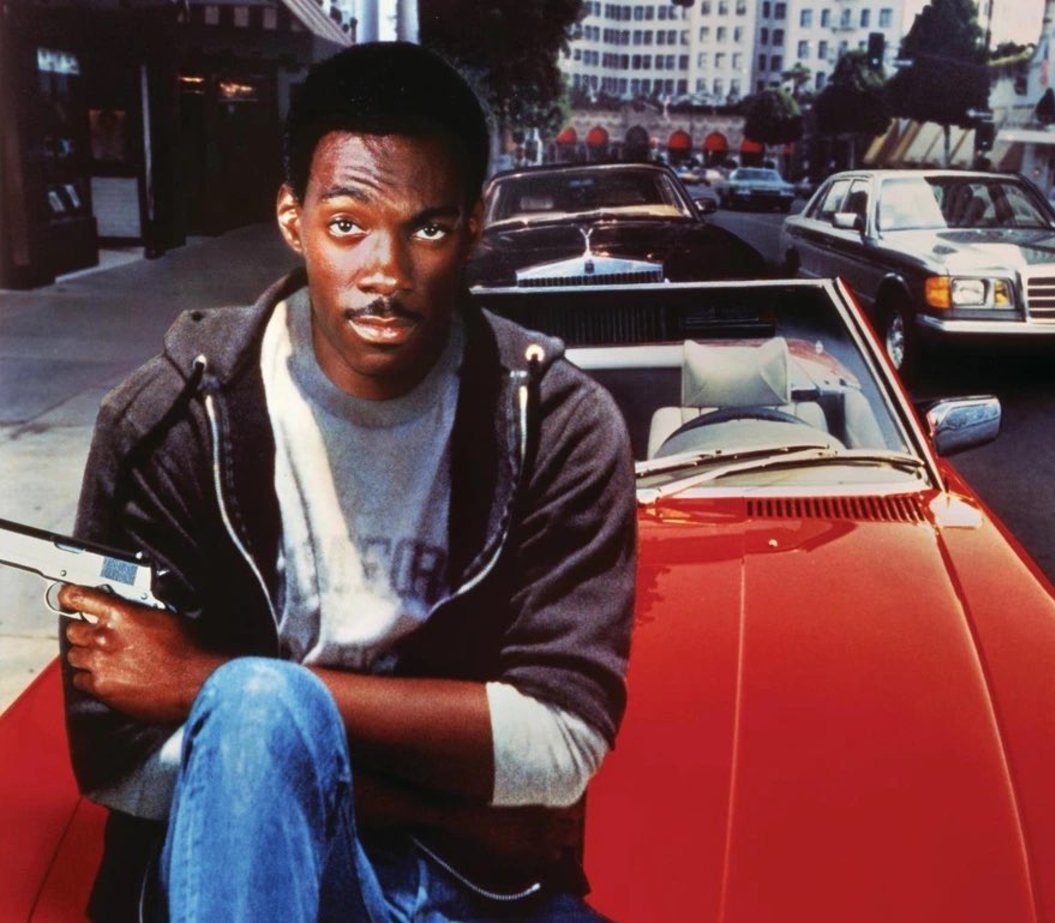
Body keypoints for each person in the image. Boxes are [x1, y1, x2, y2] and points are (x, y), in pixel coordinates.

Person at [58, 41, 636, 922]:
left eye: (428, 228)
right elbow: (118, 759)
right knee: (255, 706)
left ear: (475, 224)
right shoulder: (170, 423)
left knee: (251, 701)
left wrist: (197, 680)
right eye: (347, 225)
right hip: (244, 873)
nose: (386, 273)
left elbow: (560, 742)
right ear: (293, 220)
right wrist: (434, 804)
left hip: (475, 890)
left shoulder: (553, 425)